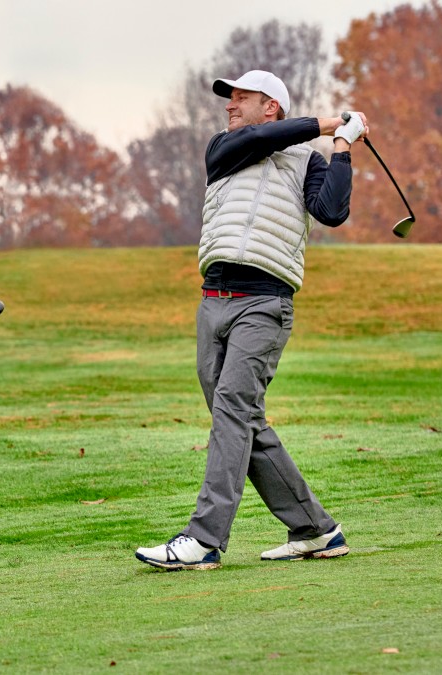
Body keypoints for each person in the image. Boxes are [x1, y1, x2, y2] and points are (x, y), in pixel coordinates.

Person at [135, 70, 367, 571]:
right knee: (237, 419)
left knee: (234, 412)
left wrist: (342, 147)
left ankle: (203, 539)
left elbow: (332, 212)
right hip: (212, 300)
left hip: (263, 304)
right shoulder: (226, 147)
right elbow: (260, 140)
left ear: (272, 106)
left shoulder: (307, 160)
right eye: (230, 97)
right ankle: (315, 530)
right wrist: (327, 122)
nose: (229, 105)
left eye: (242, 97)